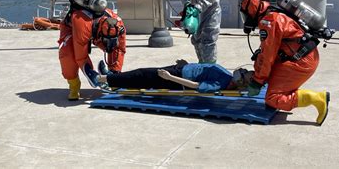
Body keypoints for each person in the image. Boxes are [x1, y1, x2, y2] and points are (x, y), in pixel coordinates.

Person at [239, 0, 330, 126]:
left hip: (301, 61)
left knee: (272, 98)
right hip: (304, 56)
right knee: (267, 75)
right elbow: (267, 52)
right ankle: (284, 93)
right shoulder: (272, 13)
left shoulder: (269, 22)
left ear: (252, 12)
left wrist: (257, 81)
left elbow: (267, 56)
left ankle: (317, 98)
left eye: (245, 16)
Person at [58, 0, 126, 101]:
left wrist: (115, 75)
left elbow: (121, 49)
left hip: (96, 32)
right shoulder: (82, 23)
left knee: (115, 47)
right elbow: (81, 56)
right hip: (72, 29)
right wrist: (92, 75)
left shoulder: (118, 24)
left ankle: (112, 75)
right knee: (68, 55)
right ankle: (74, 85)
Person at [87, 59, 253, 93]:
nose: (243, 71)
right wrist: (187, 63)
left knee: (142, 75)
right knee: (142, 74)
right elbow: (205, 69)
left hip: (176, 78)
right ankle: (112, 77)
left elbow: (196, 86)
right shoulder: (227, 76)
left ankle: (100, 79)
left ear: (242, 82)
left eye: (246, 75)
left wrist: (169, 78)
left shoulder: (222, 83)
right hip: (181, 69)